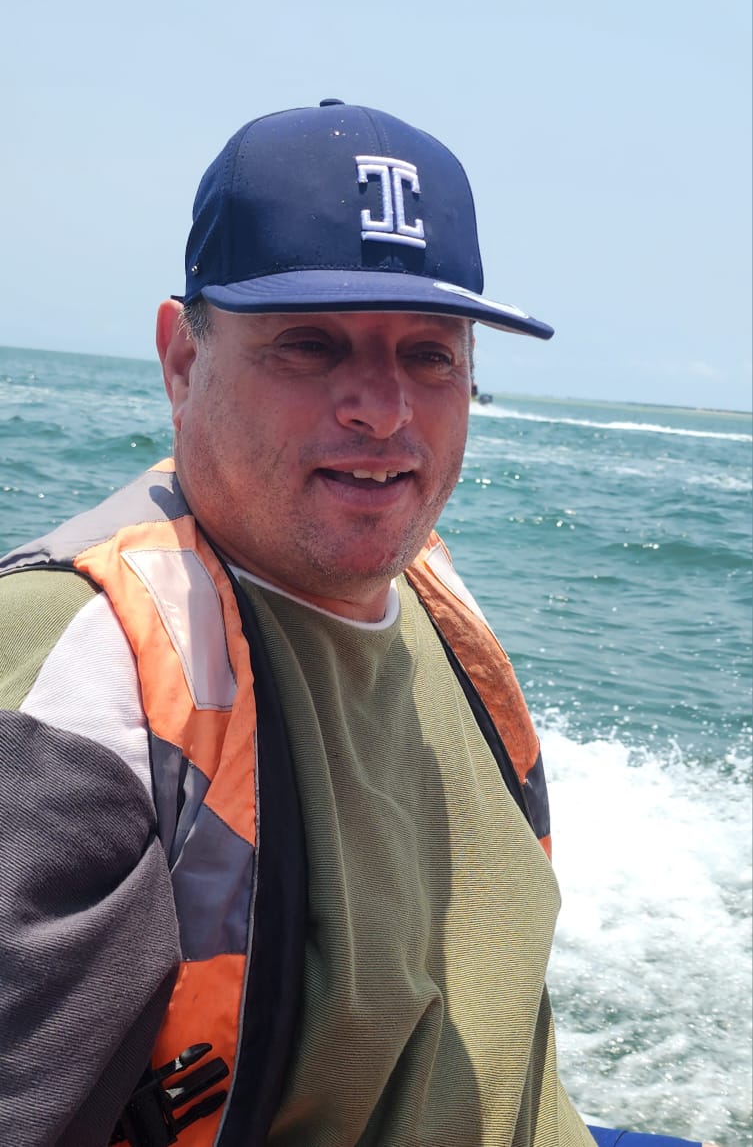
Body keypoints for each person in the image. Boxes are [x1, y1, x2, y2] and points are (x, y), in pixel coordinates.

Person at [0, 101, 719, 1147]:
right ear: (182, 360)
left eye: (429, 354)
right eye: (309, 344)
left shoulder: (423, 587)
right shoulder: (87, 680)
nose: (383, 409)